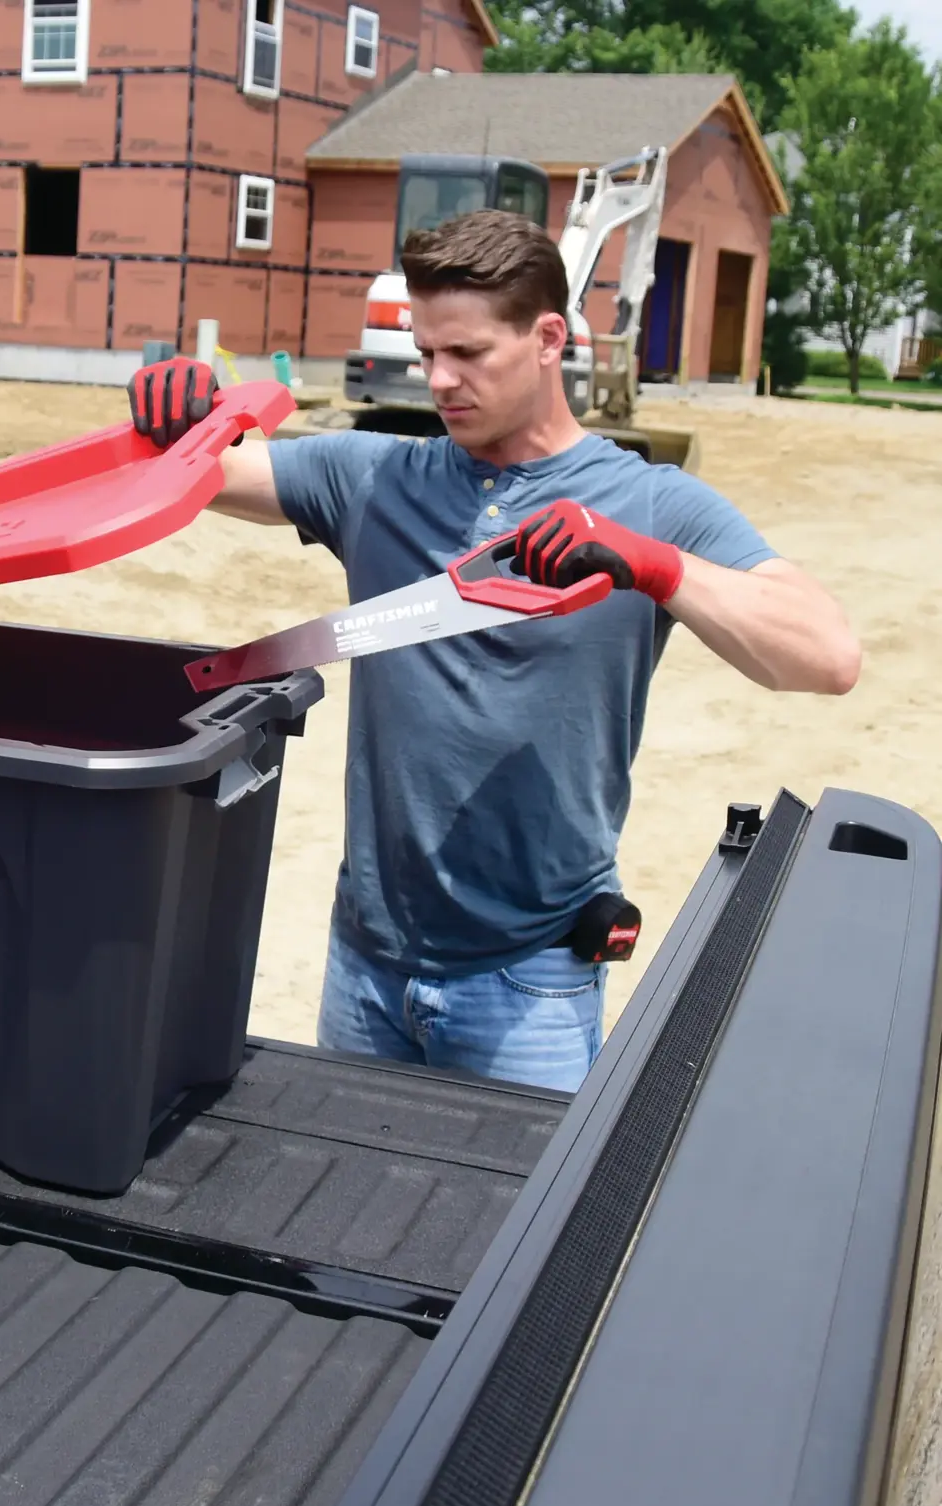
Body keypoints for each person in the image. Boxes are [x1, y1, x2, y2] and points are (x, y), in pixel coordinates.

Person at [129, 210, 859, 1093]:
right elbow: (213, 473)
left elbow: (826, 655)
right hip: (364, 964)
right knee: (339, 1216)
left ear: (548, 338)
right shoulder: (376, 477)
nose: (438, 380)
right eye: (427, 351)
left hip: (530, 984)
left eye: (467, 354)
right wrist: (181, 416)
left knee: (517, 1232)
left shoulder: (651, 502)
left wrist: (656, 568)